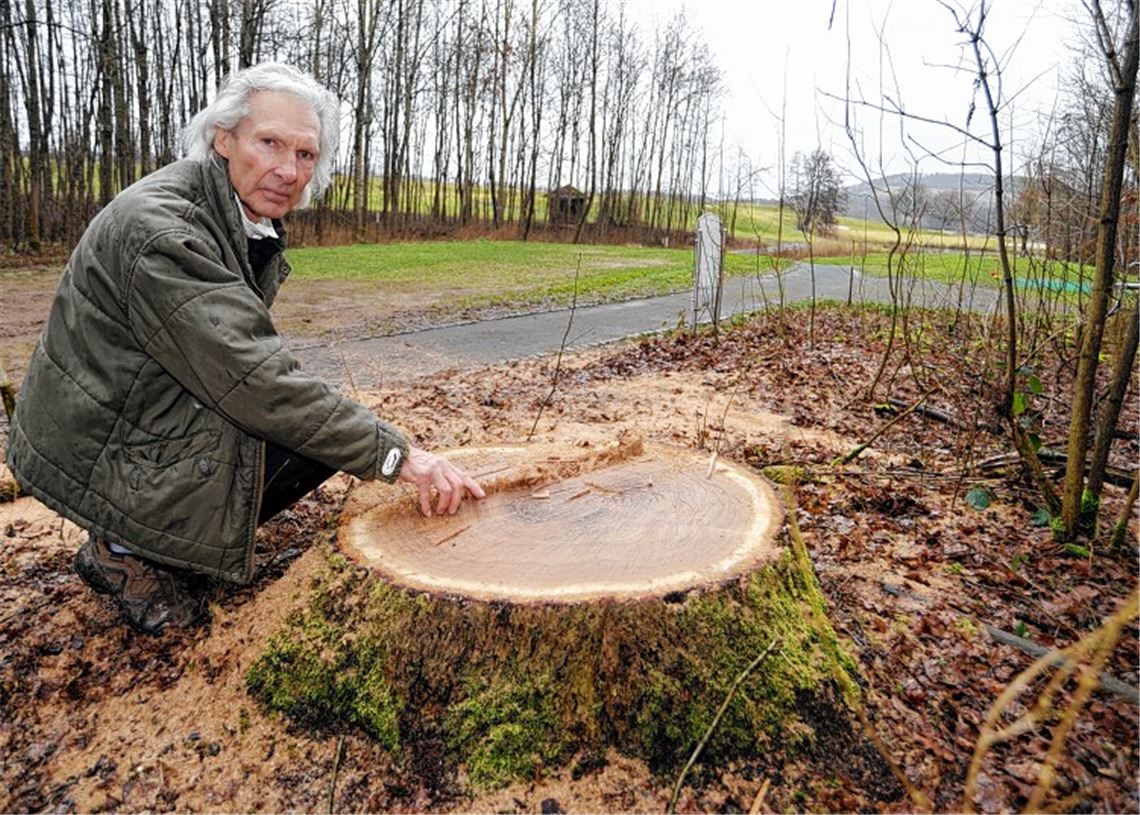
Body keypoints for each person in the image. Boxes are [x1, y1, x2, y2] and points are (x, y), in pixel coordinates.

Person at [5, 62, 484, 635]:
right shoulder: (166, 232)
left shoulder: (234, 214)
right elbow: (253, 378)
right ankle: (125, 550)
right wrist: (401, 457)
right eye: (270, 143)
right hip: (99, 441)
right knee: (313, 427)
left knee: (319, 435)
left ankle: (169, 541)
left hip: (138, 412)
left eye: (306, 155)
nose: (288, 170)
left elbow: (246, 367)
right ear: (224, 138)